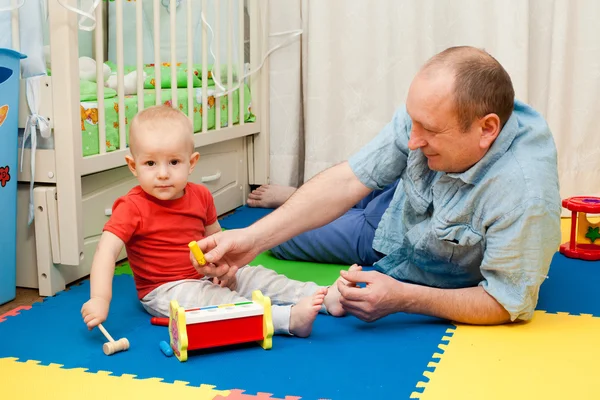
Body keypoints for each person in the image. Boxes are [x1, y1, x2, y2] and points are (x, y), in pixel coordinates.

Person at [192, 46, 562, 326]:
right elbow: (349, 179)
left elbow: (507, 301)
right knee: (278, 234)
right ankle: (303, 197)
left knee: (291, 239)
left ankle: (326, 203)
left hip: (396, 242)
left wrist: (404, 298)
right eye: (411, 122)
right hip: (397, 204)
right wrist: (251, 241)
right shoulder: (427, 117)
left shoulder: (524, 193)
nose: (413, 139)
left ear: (487, 130)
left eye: (429, 131)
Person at [81, 105, 344, 338]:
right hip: (166, 289)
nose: (162, 174)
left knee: (256, 276)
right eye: (150, 163)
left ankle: (324, 295)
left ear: (191, 162)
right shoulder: (131, 207)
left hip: (207, 275)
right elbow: (106, 251)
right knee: (218, 303)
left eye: (173, 162)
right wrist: (99, 299)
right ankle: (286, 321)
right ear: (133, 165)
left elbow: (217, 239)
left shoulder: (201, 195)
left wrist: (225, 272)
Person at [247, 181, 398, 266]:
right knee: (367, 180)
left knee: (279, 234)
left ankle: (306, 201)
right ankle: (303, 197)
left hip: (387, 229)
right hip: (396, 189)